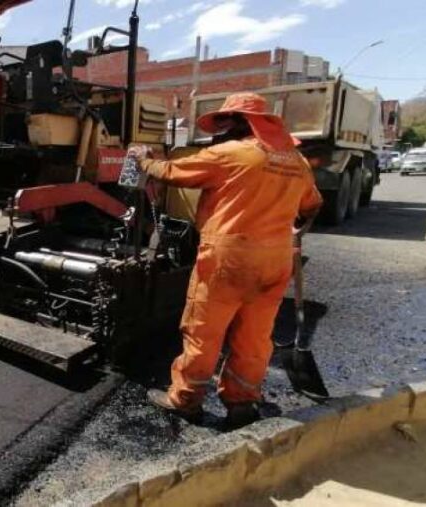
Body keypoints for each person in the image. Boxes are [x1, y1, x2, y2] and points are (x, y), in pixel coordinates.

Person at [130, 92, 324, 428]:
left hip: (229, 258)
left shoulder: (230, 153)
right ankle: (242, 404)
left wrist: (144, 160)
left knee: (204, 332)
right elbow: (312, 206)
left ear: (241, 122)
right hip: (276, 259)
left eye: (224, 122)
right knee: (254, 337)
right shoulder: (297, 162)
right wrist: (291, 229)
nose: (219, 131)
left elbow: (173, 171)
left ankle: (185, 399)